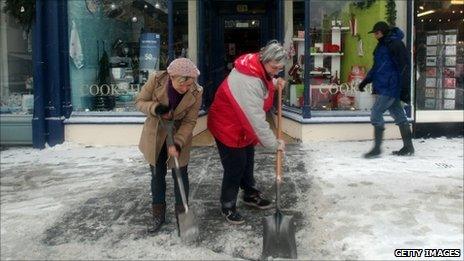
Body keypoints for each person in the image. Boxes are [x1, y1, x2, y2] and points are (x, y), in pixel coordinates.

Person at [207, 40, 287, 224]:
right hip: (227, 125)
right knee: (235, 165)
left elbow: (263, 81)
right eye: (274, 68)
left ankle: (250, 194)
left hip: (241, 125)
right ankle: (227, 205)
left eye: (279, 69)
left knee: (248, 159)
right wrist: (274, 144)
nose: (276, 71)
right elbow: (256, 121)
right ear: (265, 59)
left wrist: (274, 82)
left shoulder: (257, 67)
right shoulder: (248, 80)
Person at [135, 58, 203, 233]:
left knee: (180, 174)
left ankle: (183, 215)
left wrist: (179, 142)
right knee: (157, 175)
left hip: (179, 133)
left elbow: (190, 121)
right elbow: (140, 102)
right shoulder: (156, 79)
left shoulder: (196, 92)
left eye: (189, 85)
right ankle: (158, 213)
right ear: (171, 76)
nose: (185, 88)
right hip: (156, 133)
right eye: (182, 84)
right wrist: (157, 108)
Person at [358, 21, 414, 158]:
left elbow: (405, 66)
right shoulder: (381, 46)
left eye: (377, 33)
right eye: (374, 33)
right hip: (384, 86)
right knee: (400, 117)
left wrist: (404, 88)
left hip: (391, 87)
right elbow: (377, 67)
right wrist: (366, 80)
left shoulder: (395, 44)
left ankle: (377, 149)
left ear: (383, 32)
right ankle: (408, 147)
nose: (375, 36)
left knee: (376, 113)